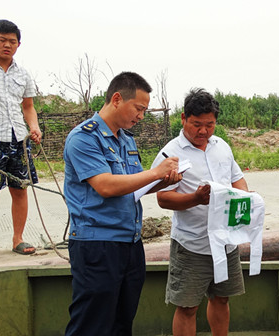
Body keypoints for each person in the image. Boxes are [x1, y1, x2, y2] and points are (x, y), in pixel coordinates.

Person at [63, 71, 181, 336]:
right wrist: (154, 172)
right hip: (97, 245)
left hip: (130, 244)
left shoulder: (126, 140)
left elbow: (133, 187)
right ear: (117, 99)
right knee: (91, 325)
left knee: (121, 323)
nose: (140, 116)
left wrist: (165, 179)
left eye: (144, 110)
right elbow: (105, 185)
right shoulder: (84, 138)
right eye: (138, 108)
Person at [153, 88, 248, 336]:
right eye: (196, 124)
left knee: (222, 299)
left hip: (225, 242)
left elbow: (238, 180)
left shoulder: (221, 147)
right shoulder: (169, 153)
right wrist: (195, 198)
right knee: (187, 307)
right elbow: (163, 199)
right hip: (192, 244)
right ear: (183, 118)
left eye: (210, 124)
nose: (203, 131)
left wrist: (245, 202)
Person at [0, 19, 41, 255]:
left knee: (20, 189)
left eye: (12, 41)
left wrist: (34, 127)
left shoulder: (23, 74)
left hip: (18, 141)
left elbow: (28, 106)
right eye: (2, 40)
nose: (7, 45)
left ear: (18, 45)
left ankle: (17, 239)